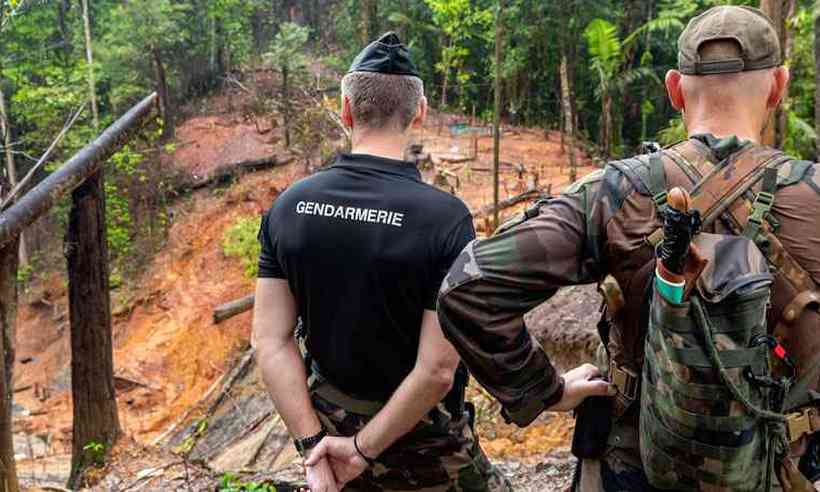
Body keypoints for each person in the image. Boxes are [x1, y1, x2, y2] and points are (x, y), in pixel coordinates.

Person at [437, 6, 820, 491]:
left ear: (675, 89)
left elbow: (468, 285)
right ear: (779, 86)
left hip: (631, 469)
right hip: (781, 471)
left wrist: (542, 390)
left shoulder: (615, 193)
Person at [252, 32, 511, 492]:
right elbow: (435, 370)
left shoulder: (289, 207)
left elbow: (270, 342)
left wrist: (314, 447)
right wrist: (363, 451)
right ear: (419, 112)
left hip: (330, 434)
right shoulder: (446, 219)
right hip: (428, 447)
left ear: (346, 110)